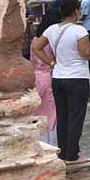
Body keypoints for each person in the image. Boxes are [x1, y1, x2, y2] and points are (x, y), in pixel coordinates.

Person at [32, 0, 90, 165]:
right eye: (79, 10)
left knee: (63, 117)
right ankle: (72, 155)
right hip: (77, 78)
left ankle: (63, 152)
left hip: (58, 78)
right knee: (75, 117)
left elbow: (37, 48)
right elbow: (87, 54)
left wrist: (50, 63)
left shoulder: (51, 29)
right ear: (75, 11)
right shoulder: (79, 31)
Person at [30, 15, 59, 146]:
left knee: (38, 112)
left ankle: (39, 141)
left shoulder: (35, 40)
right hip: (48, 77)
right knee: (51, 112)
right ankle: (51, 143)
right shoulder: (49, 41)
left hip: (36, 78)